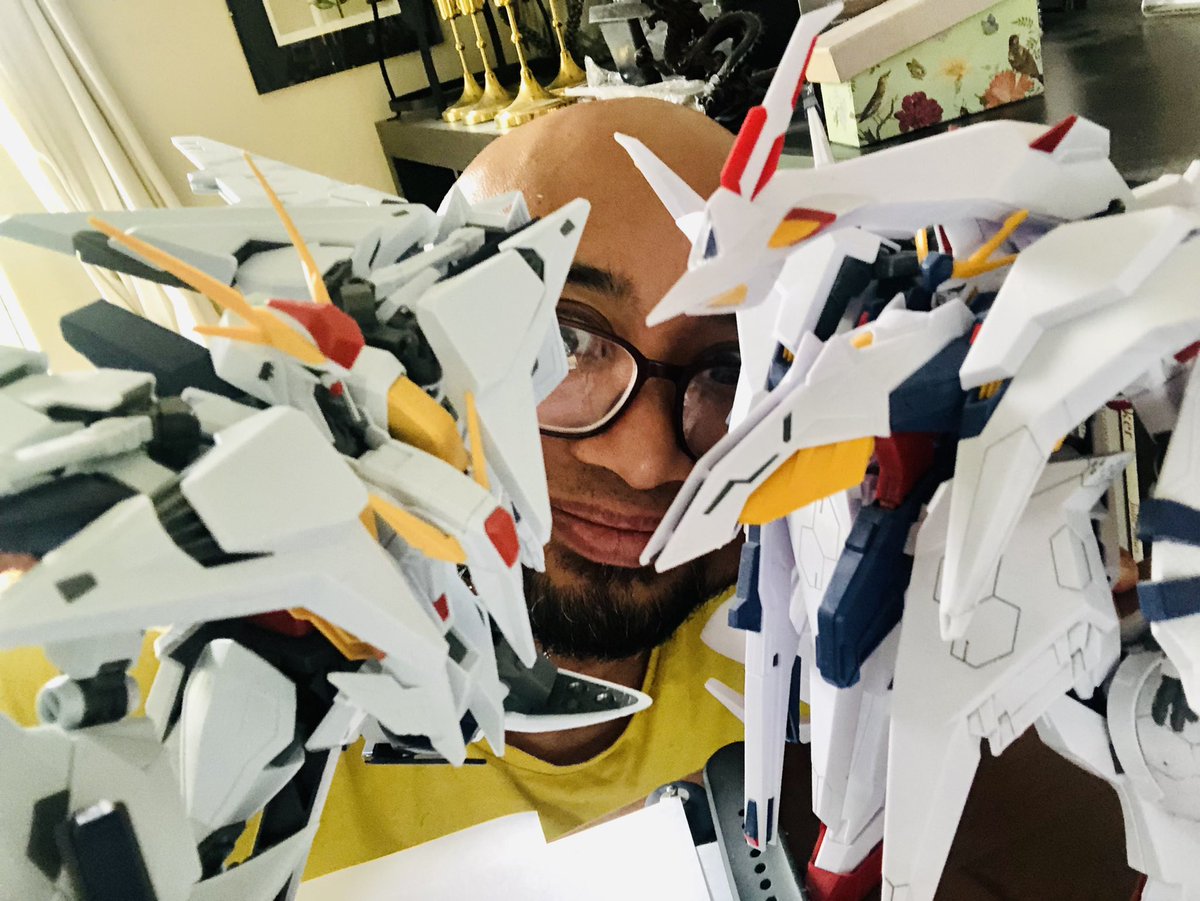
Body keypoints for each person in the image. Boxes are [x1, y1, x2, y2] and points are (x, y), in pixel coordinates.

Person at [0, 97, 747, 879]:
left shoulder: (798, 636)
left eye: (729, 367)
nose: (644, 461)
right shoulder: (98, 660)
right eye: (559, 340)